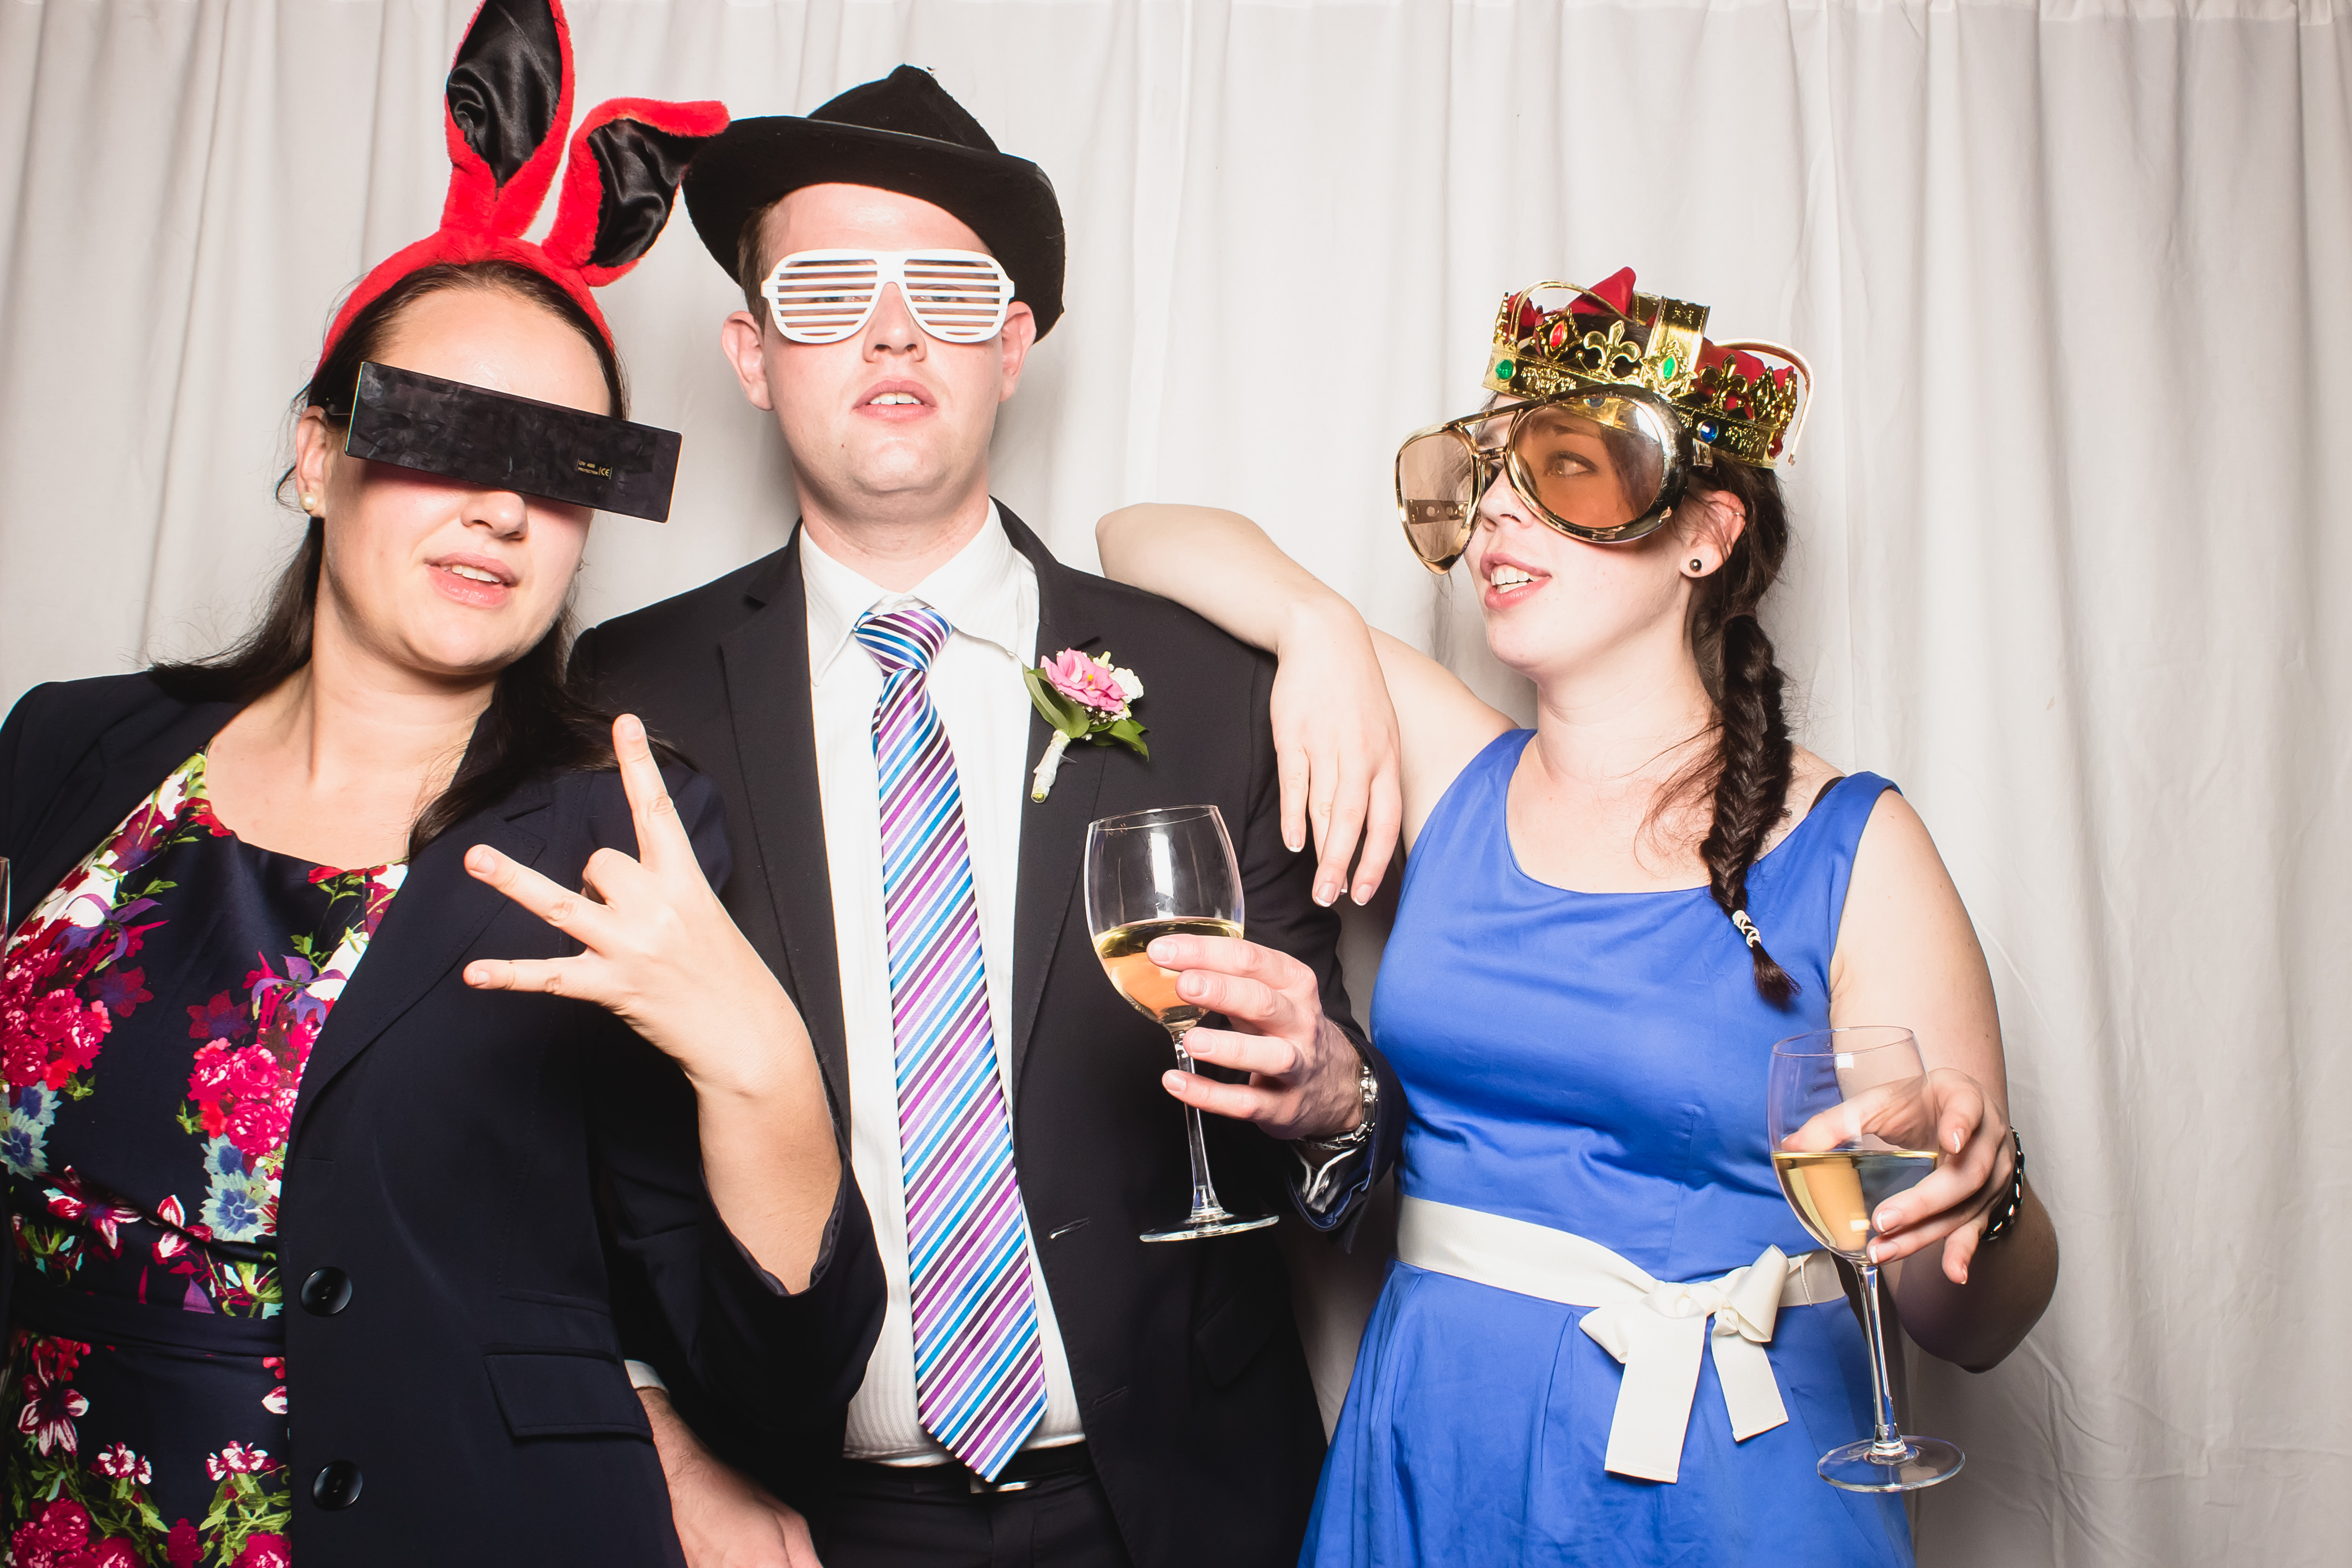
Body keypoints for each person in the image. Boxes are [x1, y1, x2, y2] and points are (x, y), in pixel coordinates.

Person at [0, 4, 880, 1561]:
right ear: (319, 452)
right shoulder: (72, 747)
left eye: (567, 465)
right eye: (449, 435)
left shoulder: (620, 832)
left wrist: (765, 1068)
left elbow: (774, 1378)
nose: (503, 508)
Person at [569, 66, 1403, 1568]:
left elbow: (1344, 1127)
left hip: (1180, 1513)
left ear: (1011, 348)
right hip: (792, 1521)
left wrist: (1331, 1095)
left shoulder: (1210, 686)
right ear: (751, 355)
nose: (893, 332)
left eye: (948, 294)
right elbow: (579, 1145)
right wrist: (665, 1445)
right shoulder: (630, 692)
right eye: (828, 293)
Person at [1096, 270, 2061, 1566]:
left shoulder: (1857, 847)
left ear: (1705, 533)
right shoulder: (1455, 766)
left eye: (1566, 469)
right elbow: (1136, 534)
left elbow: (1972, 1326)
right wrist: (1318, 625)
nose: (1501, 508)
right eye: (1487, 475)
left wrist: (1982, 1196)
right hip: (1437, 1456)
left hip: (1735, 1483)